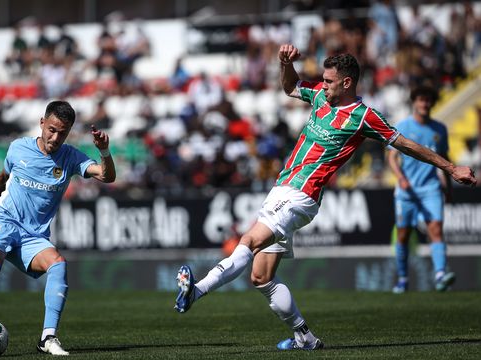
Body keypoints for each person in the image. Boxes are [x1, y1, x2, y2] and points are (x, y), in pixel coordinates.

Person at [174, 44, 477, 351]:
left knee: (248, 241)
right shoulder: (320, 96)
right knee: (261, 276)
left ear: (347, 83)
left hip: (301, 194)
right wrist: (284, 63)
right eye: (324, 79)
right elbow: (290, 86)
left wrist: (451, 168)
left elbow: (405, 144)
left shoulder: (364, 116)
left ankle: (195, 292)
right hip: (282, 188)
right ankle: (304, 337)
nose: (324, 85)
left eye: (330, 81)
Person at [0, 100, 116, 356]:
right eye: (52, 129)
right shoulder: (19, 148)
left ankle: (48, 338)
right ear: (42, 123)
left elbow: (107, 176)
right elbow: (2, 179)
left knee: (58, 263)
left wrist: (104, 152)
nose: (56, 137)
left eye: (63, 132)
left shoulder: (71, 157)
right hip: (3, 220)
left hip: (33, 235)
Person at [388, 86, 455, 293]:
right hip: (406, 191)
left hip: (430, 188)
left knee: (435, 229)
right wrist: (400, 178)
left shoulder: (439, 130)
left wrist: (449, 186)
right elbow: (391, 157)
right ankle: (403, 278)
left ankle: (440, 275)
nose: (424, 104)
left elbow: (444, 158)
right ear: (414, 102)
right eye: (421, 100)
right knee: (403, 235)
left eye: (427, 101)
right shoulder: (403, 126)